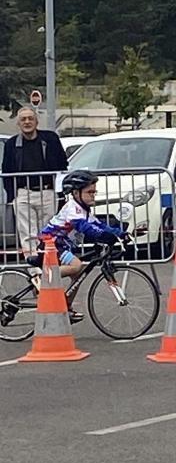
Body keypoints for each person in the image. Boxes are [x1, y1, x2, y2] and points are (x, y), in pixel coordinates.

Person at [36, 170, 126, 322]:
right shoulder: (72, 208)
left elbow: (99, 225)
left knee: (78, 273)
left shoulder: (84, 210)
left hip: (62, 246)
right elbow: (84, 227)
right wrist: (102, 236)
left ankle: (66, 307)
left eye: (94, 192)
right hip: (51, 244)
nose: (93, 195)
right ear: (76, 193)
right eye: (89, 192)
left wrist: (120, 234)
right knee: (76, 265)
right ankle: (41, 279)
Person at [1, 107, 68, 257]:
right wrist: (13, 196)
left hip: (47, 192)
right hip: (23, 193)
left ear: (37, 121)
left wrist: (57, 189)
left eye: (30, 118)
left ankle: (48, 264)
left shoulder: (50, 139)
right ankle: (33, 266)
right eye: (23, 119)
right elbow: (6, 171)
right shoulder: (12, 144)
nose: (27, 122)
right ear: (18, 123)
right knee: (27, 234)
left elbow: (62, 163)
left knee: (48, 233)